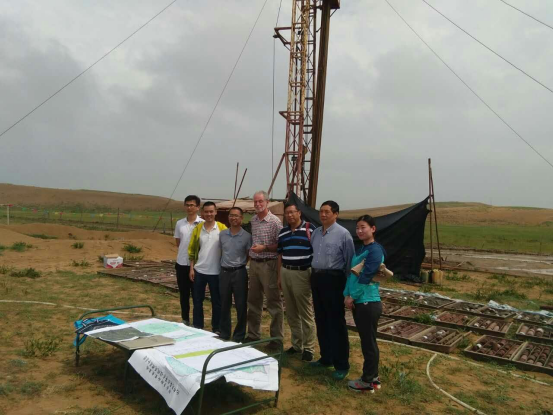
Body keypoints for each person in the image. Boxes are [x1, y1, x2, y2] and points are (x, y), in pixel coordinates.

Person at [310, 200, 355, 380]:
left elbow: (350, 263)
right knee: (321, 319)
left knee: (336, 322)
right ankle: (326, 357)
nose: (323, 214)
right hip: (317, 278)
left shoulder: (344, 234)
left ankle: (341, 364)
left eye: (327, 212)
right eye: (321, 211)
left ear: (336, 214)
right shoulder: (315, 233)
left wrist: (348, 289)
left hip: (334, 280)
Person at [345, 215, 385, 393]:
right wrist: (346, 294)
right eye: (357, 228)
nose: (360, 231)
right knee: (368, 341)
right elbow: (352, 275)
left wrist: (352, 296)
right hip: (360, 301)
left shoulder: (375, 250)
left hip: (368, 301)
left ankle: (367, 381)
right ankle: (373, 378)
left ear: (373, 229)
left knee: (368, 343)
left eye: (363, 227)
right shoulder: (362, 249)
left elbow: (366, 277)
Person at [277, 201, 316, 361]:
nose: (290, 215)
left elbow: (316, 252)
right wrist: (279, 276)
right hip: (286, 271)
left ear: (299, 213)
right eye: (287, 213)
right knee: (291, 312)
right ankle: (297, 345)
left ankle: (309, 348)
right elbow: (280, 254)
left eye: (292, 212)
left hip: (302, 273)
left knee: (305, 311)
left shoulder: (310, 229)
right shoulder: (283, 232)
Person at [245, 190, 284, 348]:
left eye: (260, 201)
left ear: (267, 202)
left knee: (273, 302)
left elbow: (281, 245)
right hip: (254, 264)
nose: (258, 204)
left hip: (269, 264)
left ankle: (276, 339)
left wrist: (265, 247)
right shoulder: (253, 220)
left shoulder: (275, 222)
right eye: (255, 201)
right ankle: (253, 335)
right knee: (254, 301)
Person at [188, 201, 227, 333]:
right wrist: (191, 268)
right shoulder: (198, 229)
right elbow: (192, 250)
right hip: (199, 271)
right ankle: (198, 327)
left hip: (216, 272)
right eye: (206, 212)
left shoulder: (222, 228)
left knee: (217, 302)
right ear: (202, 213)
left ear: (215, 212)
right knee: (197, 301)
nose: (209, 214)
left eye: (211, 211)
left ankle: (216, 328)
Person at [219, 207, 252, 342]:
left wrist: (240, 264)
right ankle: (224, 332)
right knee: (224, 304)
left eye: (236, 216)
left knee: (241, 304)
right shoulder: (222, 234)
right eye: (231, 215)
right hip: (224, 272)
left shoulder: (247, 236)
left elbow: (248, 254)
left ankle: (239, 335)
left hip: (239, 273)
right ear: (228, 217)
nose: (233, 218)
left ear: (241, 218)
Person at [174, 195, 204, 325]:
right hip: (181, 263)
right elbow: (178, 242)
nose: (189, 207)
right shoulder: (179, 223)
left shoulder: (203, 223)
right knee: (184, 294)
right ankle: (185, 320)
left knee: (197, 296)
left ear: (198, 207)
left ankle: (197, 323)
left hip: (198, 265)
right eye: (187, 205)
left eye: (192, 205)